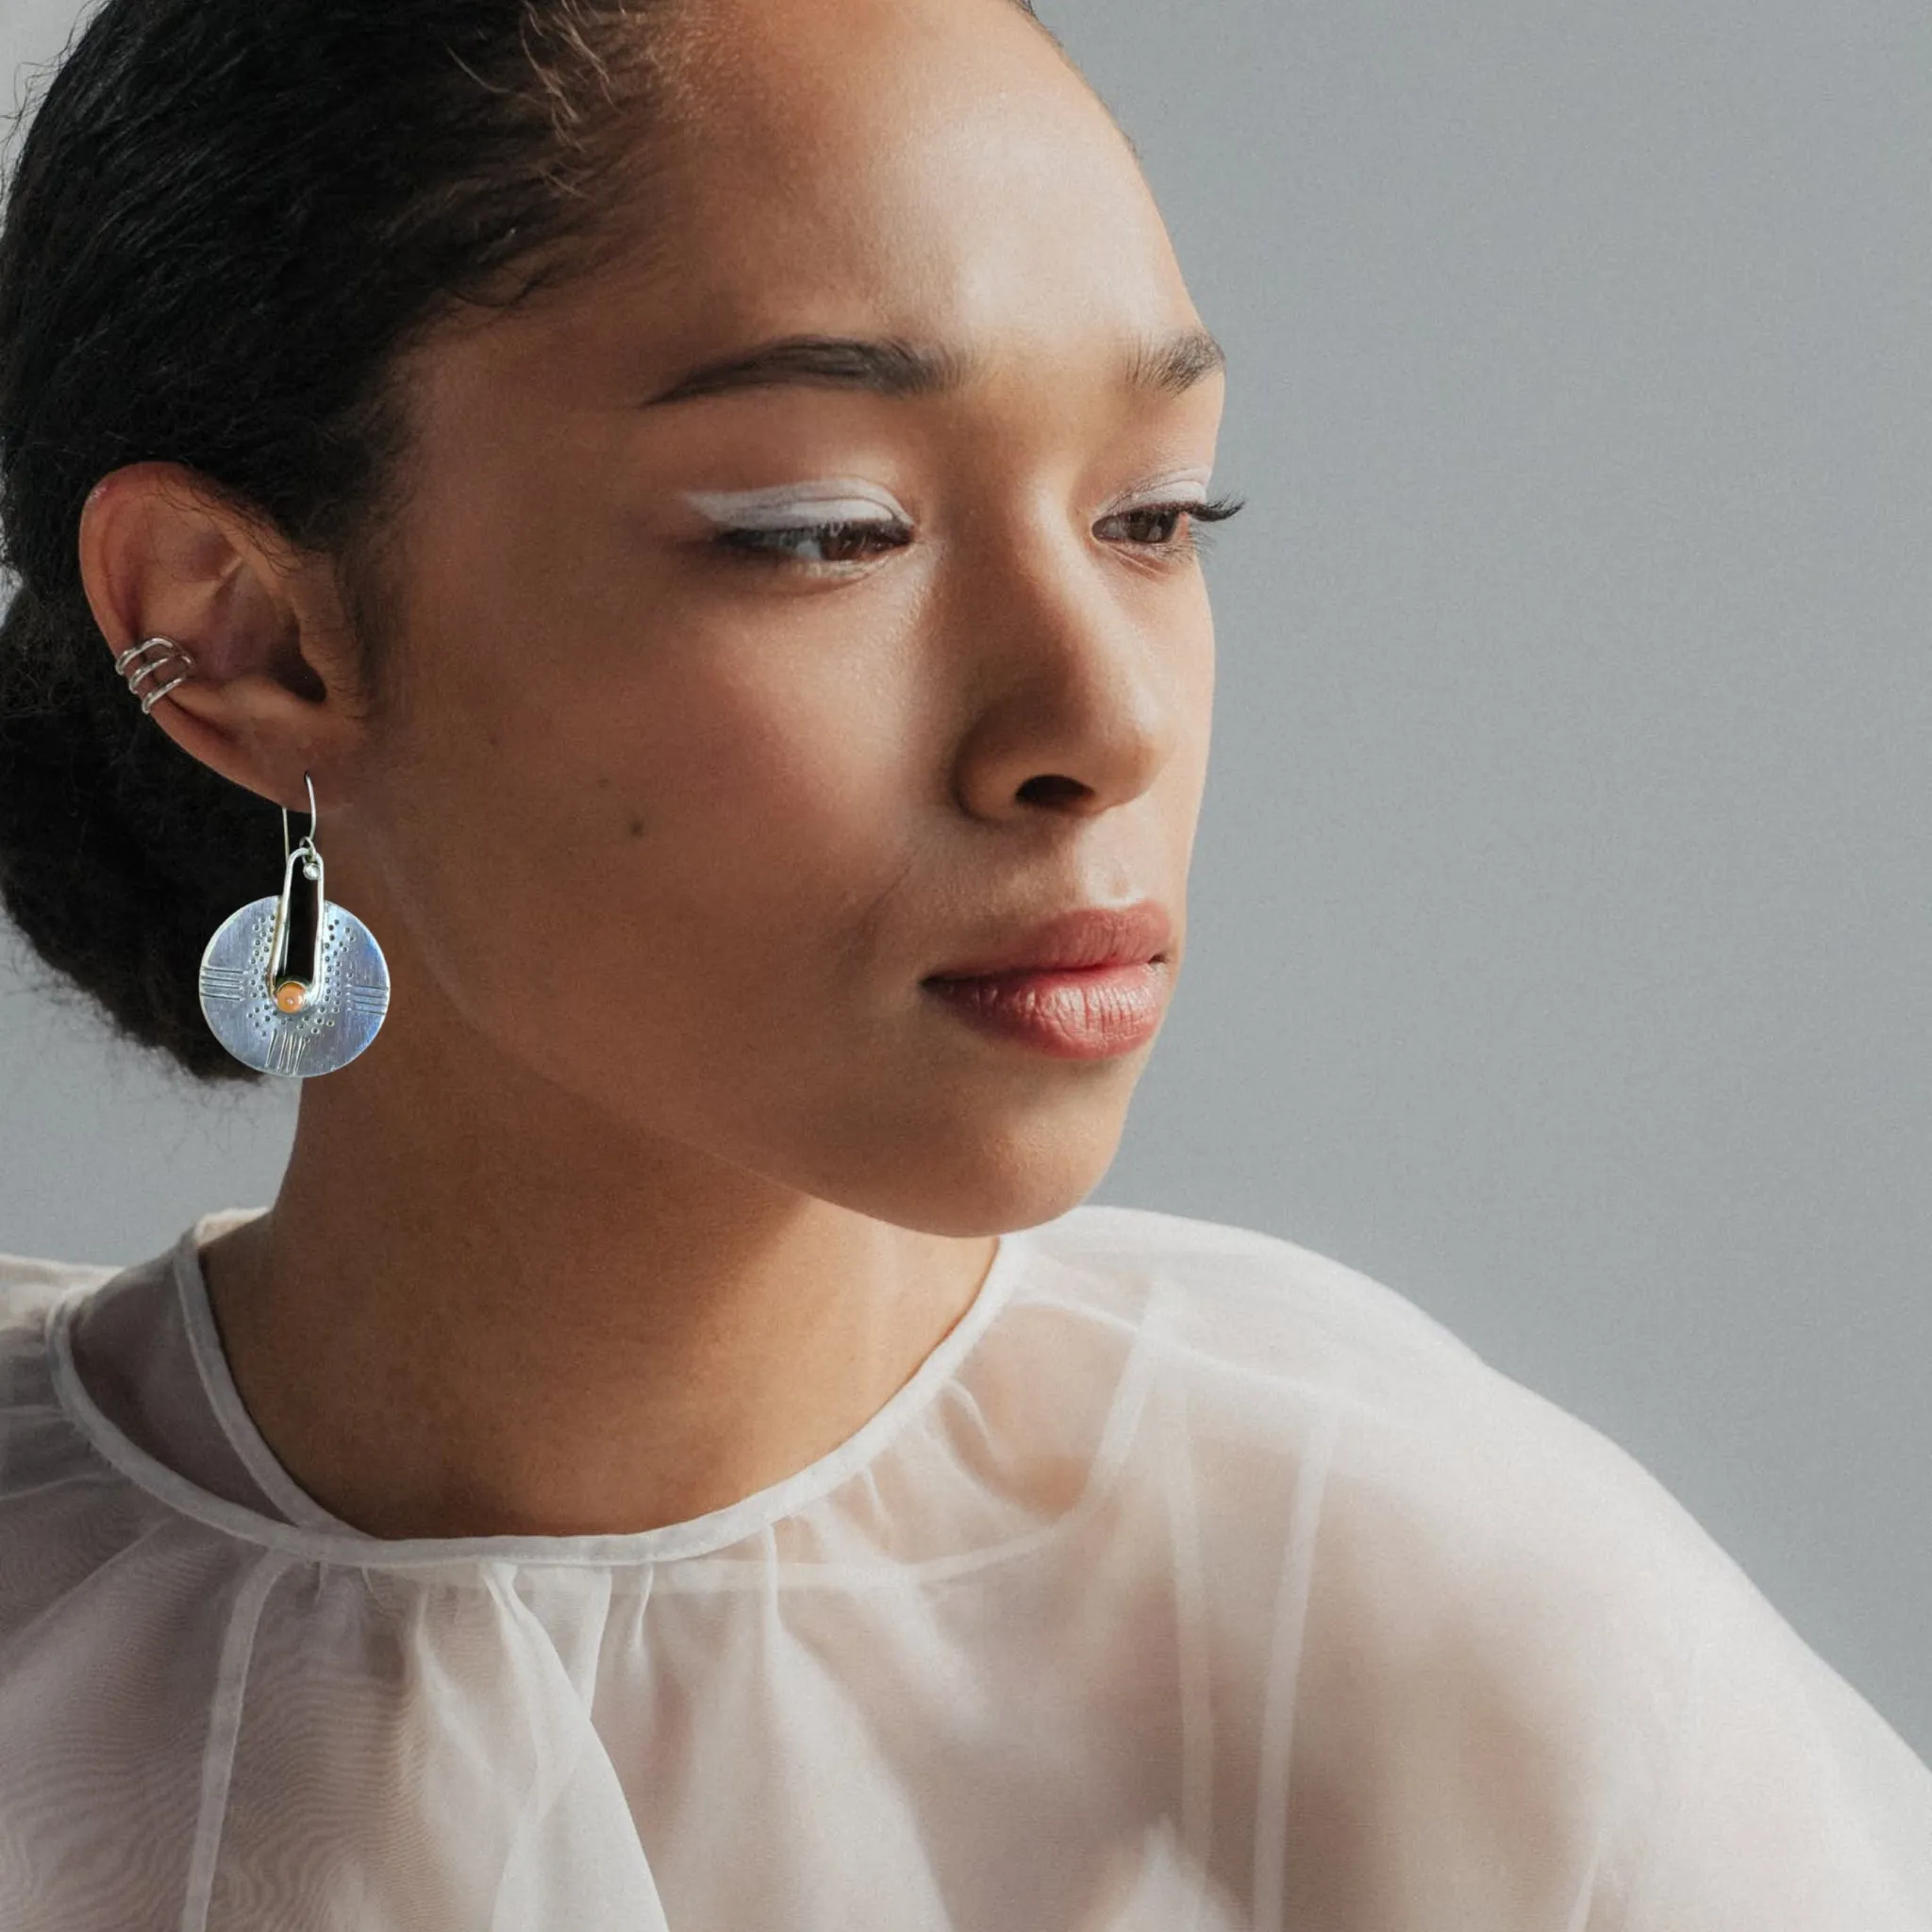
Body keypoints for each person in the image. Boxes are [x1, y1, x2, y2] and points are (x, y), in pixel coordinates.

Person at [0, 0, 1927, 1925]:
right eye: (825, 529)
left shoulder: (1443, 1645)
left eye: (1155, 514)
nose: (1101, 716)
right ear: (238, 636)